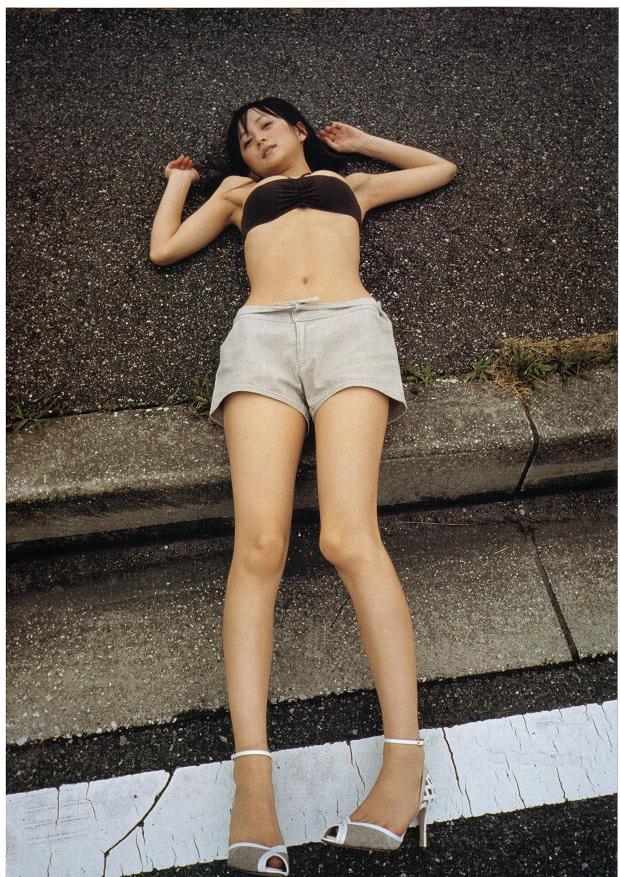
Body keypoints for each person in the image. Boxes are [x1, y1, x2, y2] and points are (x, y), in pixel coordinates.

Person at [150, 97, 456, 876]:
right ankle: (252, 786)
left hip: (348, 327)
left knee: (348, 537)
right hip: (260, 340)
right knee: (258, 547)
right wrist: (180, 183)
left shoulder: (350, 184)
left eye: (267, 125)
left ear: (298, 131)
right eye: (244, 137)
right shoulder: (236, 195)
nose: (255, 139)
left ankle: (406, 765)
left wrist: (364, 140)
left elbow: (440, 168)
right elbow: (164, 250)